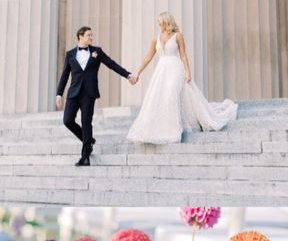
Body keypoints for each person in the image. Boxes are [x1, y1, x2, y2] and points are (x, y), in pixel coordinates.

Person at [127, 13, 238, 144]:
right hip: (161, 72)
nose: (159, 25)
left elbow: (183, 55)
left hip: (175, 69)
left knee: (171, 95)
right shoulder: (155, 39)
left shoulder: (178, 36)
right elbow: (148, 57)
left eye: (160, 22)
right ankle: (164, 127)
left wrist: (188, 72)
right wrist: (137, 73)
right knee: (159, 98)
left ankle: (174, 130)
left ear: (167, 22)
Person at [56, 26, 134, 167]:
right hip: (73, 93)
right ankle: (88, 140)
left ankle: (85, 157)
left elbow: (111, 64)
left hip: (89, 93)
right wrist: (59, 93)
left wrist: (127, 74)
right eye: (88, 35)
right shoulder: (70, 54)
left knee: (86, 122)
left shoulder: (97, 51)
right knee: (67, 120)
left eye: (91, 35)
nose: (91, 38)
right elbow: (64, 76)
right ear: (80, 36)